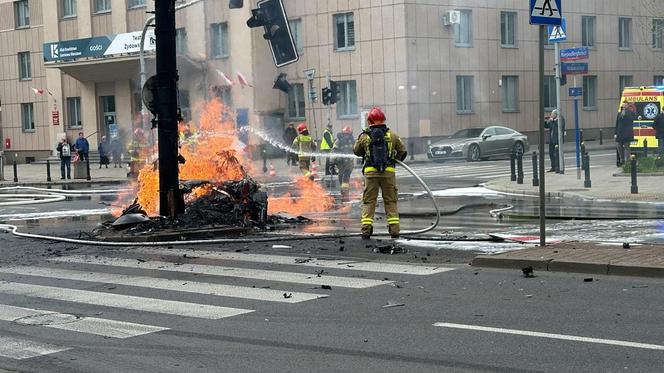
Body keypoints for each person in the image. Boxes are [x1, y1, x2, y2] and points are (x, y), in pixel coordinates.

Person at [353, 107, 406, 240]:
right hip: (388, 173)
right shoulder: (392, 135)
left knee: (369, 201)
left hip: (370, 173)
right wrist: (394, 161)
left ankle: (366, 230)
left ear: (369, 121)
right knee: (390, 201)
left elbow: (357, 151)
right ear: (383, 119)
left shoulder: (365, 136)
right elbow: (403, 151)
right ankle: (394, 230)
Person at [333, 126, 355, 199]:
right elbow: (334, 151)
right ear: (343, 134)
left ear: (350, 134)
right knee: (340, 176)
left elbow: (356, 149)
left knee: (346, 176)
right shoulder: (338, 141)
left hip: (349, 163)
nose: (346, 136)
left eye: (348, 134)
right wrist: (333, 161)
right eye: (345, 134)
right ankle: (343, 191)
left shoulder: (352, 141)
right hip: (341, 163)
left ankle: (345, 192)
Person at [615, 102, 635, 166]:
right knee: (618, 146)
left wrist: (626, 113)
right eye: (623, 105)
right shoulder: (619, 113)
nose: (624, 106)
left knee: (627, 147)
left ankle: (628, 161)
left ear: (627, 106)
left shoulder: (630, 112)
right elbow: (617, 123)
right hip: (620, 133)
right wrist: (615, 133)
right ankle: (622, 159)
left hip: (627, 133)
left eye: (625, 105)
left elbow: (632, 119)